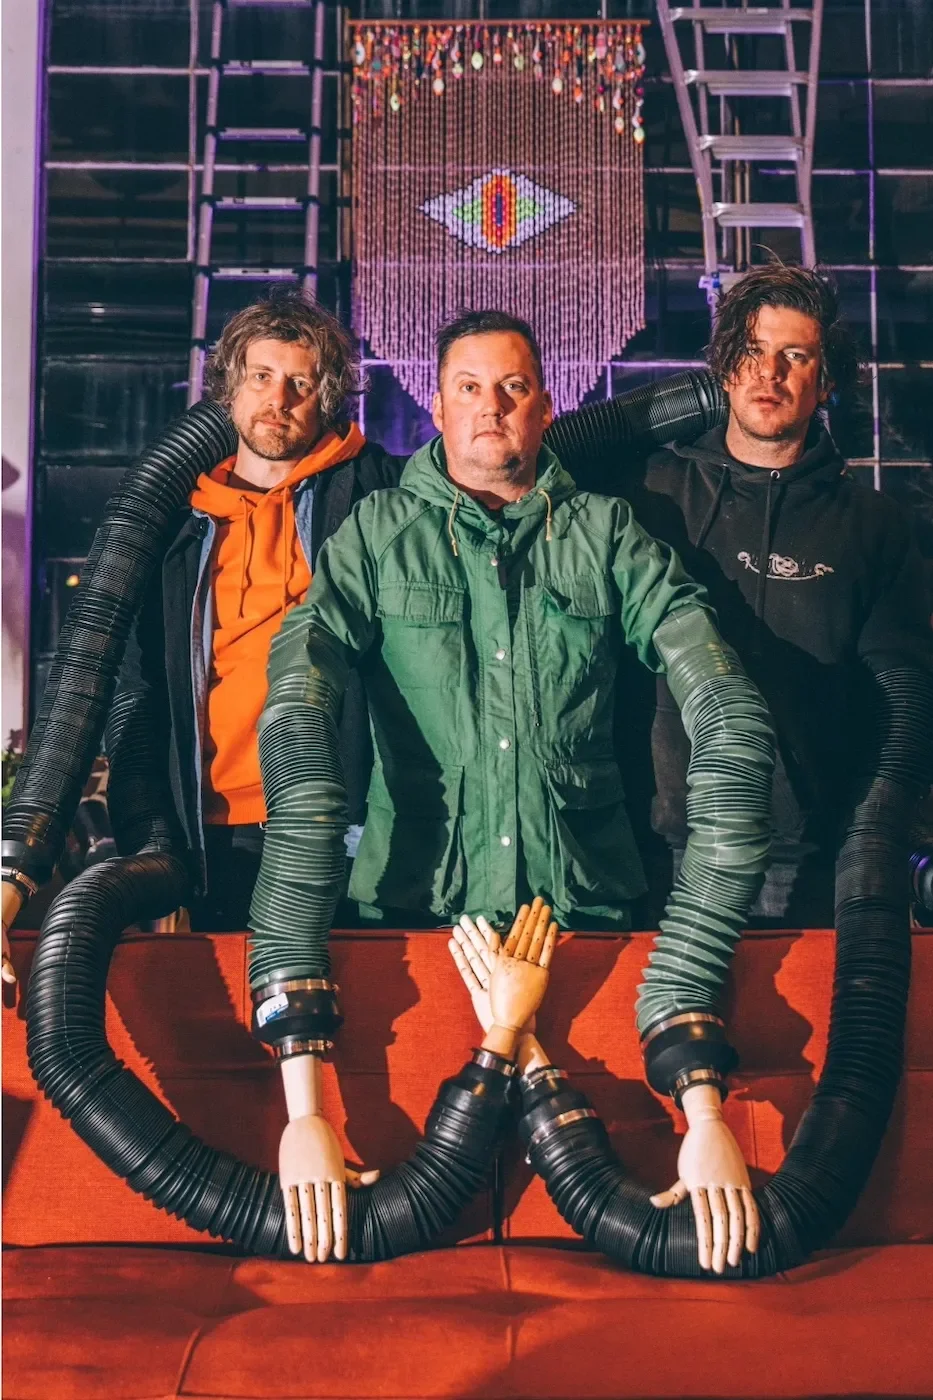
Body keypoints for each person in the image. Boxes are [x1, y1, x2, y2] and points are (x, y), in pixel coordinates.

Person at [245, 310, 775, 1268]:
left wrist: (723, 710)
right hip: (415, 929)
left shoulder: (605, 532)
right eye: (470, 389)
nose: (492, 408)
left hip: (589, 928)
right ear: (436, 406)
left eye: (515, 388)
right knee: (414, 1260)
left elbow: (695, 650)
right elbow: (304, 669)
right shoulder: (375, 537)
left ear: (546, 405)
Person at [621, 263, 933, 923]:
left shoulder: (870, 525)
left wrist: (871, 836)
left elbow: (898, 694)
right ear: (724, 369)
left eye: (794, 356)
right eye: (753, 351)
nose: (770, 372)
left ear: (822, 384)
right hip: (656, 849)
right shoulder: (651, 496)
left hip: (805, 861)